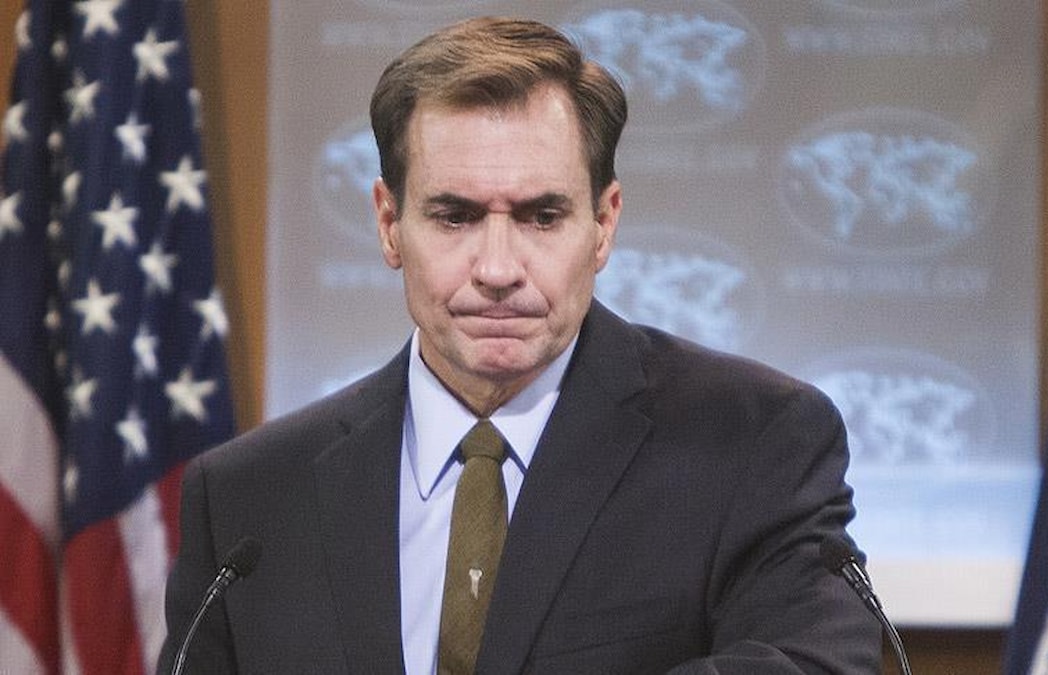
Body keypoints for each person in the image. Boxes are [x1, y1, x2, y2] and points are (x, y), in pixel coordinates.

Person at [158, 16, 880, 674]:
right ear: (388, 223)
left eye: (541, 216)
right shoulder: (249, 498)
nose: (498, 269)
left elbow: (817, 665)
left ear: (603, 223)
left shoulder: (753, 444)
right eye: (455, 216)